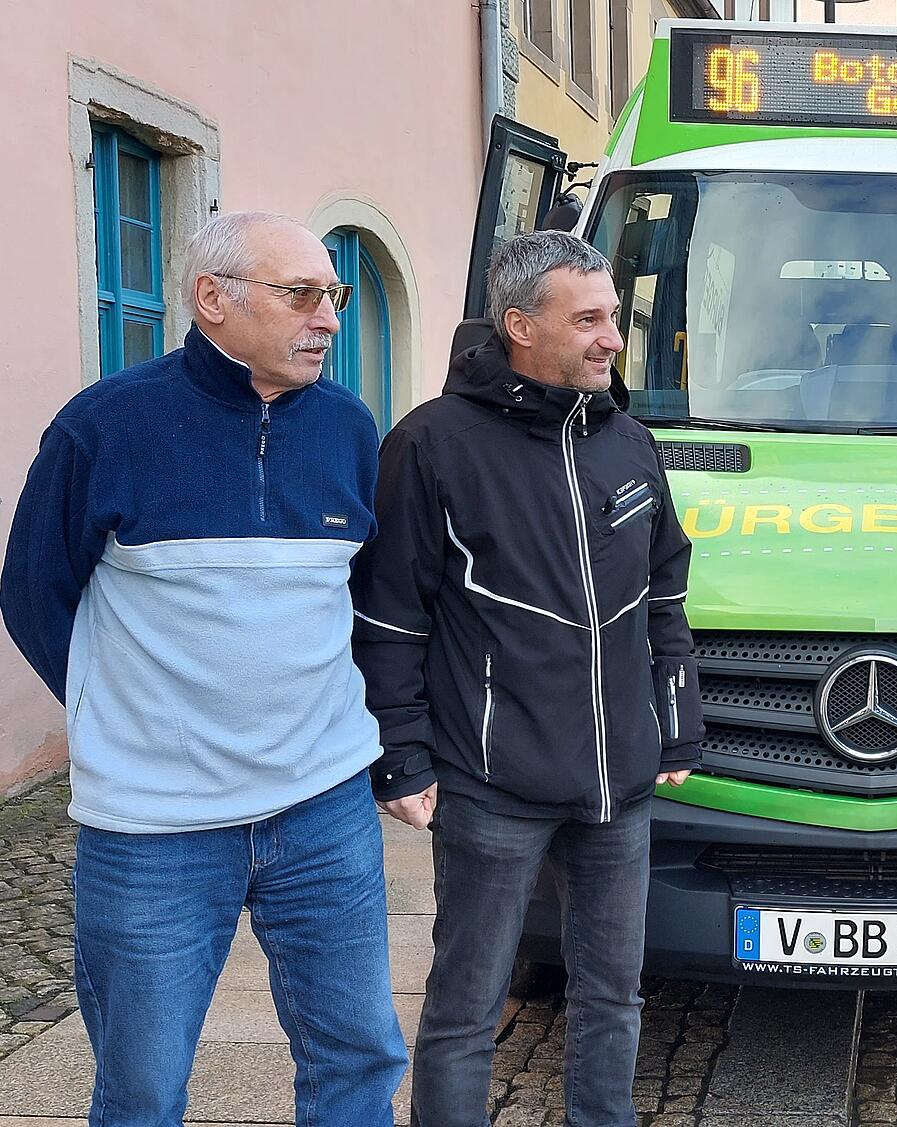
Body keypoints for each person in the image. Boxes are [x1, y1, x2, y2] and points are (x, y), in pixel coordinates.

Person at [0, 211, 406, 1126]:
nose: (329, 318)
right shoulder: (104, 428)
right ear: (213, 299)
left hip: (323, 809)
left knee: (358, 1054)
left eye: (334, 295)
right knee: (143, 1084)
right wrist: (121, 712)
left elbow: (362, 596)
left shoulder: (346, 426)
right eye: (301, 294)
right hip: (155, 826)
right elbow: (33, 591)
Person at [352, 230, 703, 1127]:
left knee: (614, 997)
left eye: (613, 316)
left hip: (619, 785)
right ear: (519, 326)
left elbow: (665, 591)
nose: (612, 338)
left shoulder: (629, 440)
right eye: (587, 319)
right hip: (489, 785)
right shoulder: (430, 445)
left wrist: (676, 721)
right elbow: (390, 618)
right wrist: (402, 758)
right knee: (466, 1010)